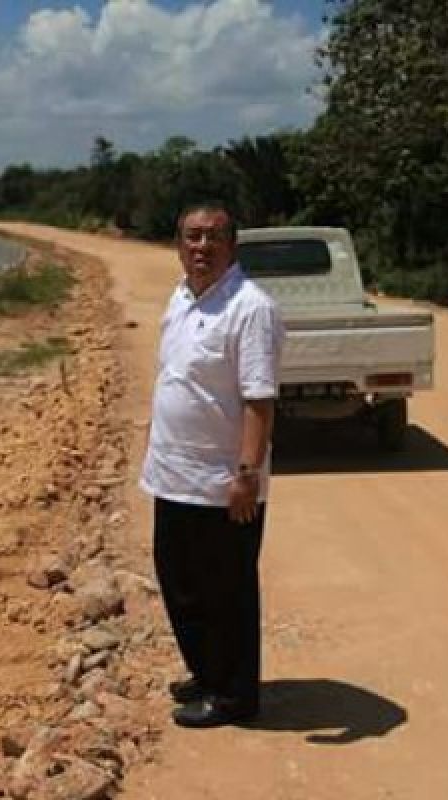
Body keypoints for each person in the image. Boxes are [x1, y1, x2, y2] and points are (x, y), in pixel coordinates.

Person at [139, 203, 284, 727]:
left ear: (232, 246)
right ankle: (206, 672)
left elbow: (260, 401)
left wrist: (247, 475)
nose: (201, 247)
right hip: (173, 477)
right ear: (178, 245)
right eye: (192, 237)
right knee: (181, 585)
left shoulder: (250, 308)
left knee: (228, 593)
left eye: (213, 237)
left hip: (224, 484)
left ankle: (235, 697)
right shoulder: (180, 298)